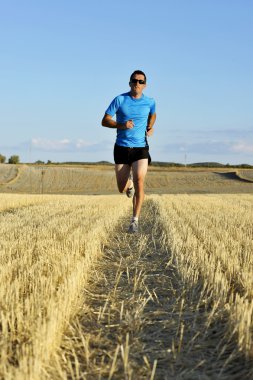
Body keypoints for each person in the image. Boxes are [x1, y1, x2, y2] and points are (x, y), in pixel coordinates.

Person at [101, 70, 156, 233]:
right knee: (121, 187)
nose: (137, 84)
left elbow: (153, 115)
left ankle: (134, 221)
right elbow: (104, 120)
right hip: (121, 147)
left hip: (141, 147)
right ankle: (129, 184)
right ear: (130, 82)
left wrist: (150, 126)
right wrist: (121, 125)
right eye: (134, 81)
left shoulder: (150, 101)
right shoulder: (120, 99)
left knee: (140, 179)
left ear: (145, 85)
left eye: (140, 81)